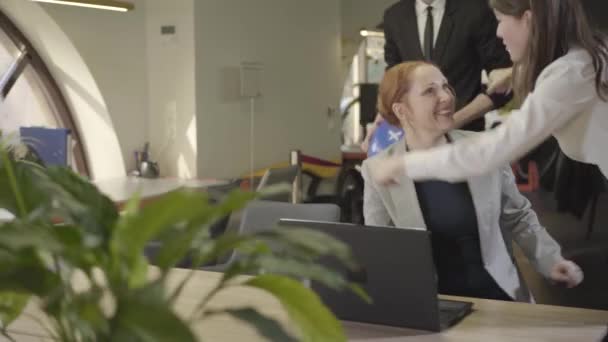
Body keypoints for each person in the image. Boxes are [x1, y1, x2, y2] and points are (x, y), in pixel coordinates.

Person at [361, 61, 583, 302]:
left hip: (499, 298)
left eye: (446, 87)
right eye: (430, 91)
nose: (446, 96)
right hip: (430, 305)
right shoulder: (375, 169)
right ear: (402, 110)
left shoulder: (484, 149)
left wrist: (551, 260)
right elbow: (380, 248)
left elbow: (518, 217)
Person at [371, 0, 608, 185]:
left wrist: (404, 165)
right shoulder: (584, 59)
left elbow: (491, 152)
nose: (498, 33)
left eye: (499, 20)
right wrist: (516, 72)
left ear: (527, 19)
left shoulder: (568, 75)